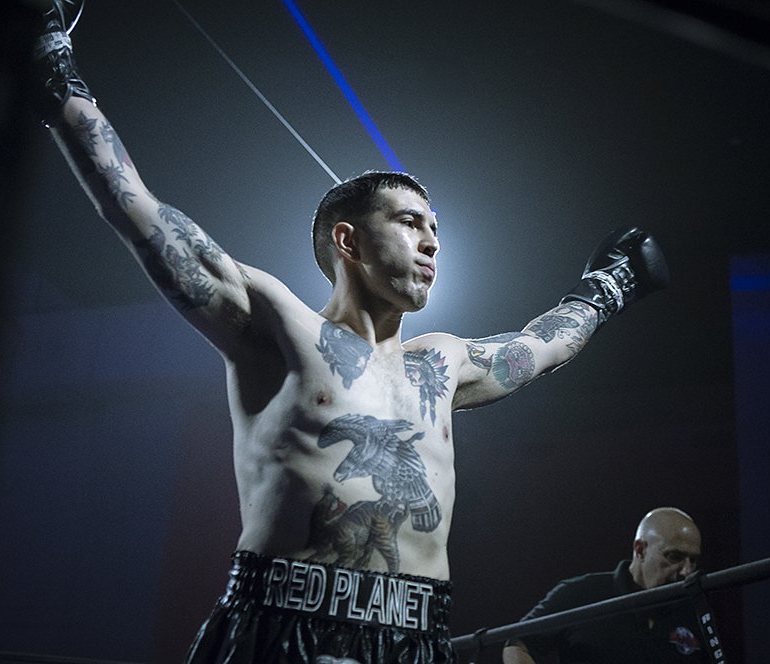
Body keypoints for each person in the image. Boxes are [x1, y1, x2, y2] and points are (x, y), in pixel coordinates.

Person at [32, 2, 670, 663]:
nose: (430, 243)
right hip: (282, 626)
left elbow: (540, 348)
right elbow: (137, 209)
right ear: (348, 239)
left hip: (412, 637)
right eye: (410, 222)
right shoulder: (280, 326)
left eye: (436, 230)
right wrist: (53, 62)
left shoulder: (441, 365)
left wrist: (608, 287)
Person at [502, 508, 707, 664]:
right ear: (640, 550)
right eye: (675, 557)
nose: (687, 571)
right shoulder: (582, 593)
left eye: (693, 560)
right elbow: (517, 643)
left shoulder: (693, 610)